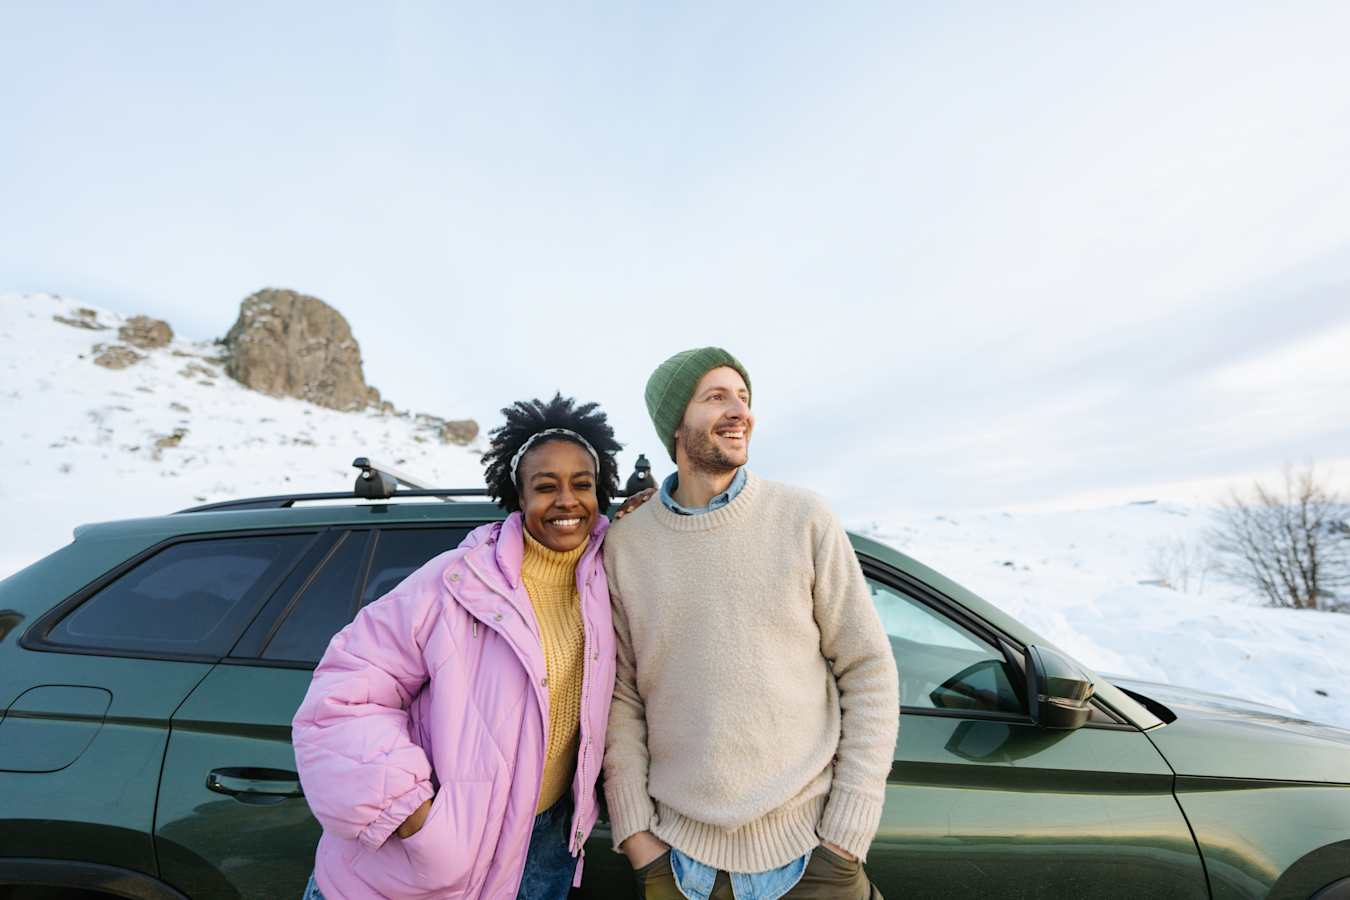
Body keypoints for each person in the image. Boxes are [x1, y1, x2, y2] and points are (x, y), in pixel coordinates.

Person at [292, 394, 623, 900]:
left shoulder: (609, 583)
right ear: (518, 495)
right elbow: (342, 694)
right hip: (428, 859)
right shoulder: (456, 580)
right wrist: (409, 812)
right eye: (545, 486)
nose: (567, 501)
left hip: (545, 852)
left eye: (582, 484)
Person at [603, 348, 899, 900]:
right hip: (681, 865)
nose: (739, 410)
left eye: (744, 397)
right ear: (675, 423)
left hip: (813, 856)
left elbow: (868, 668)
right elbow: (621, 696)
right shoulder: (626, 544)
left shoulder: (804, 518)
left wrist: (846, 836)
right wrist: (638, 839)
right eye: (716, 397)